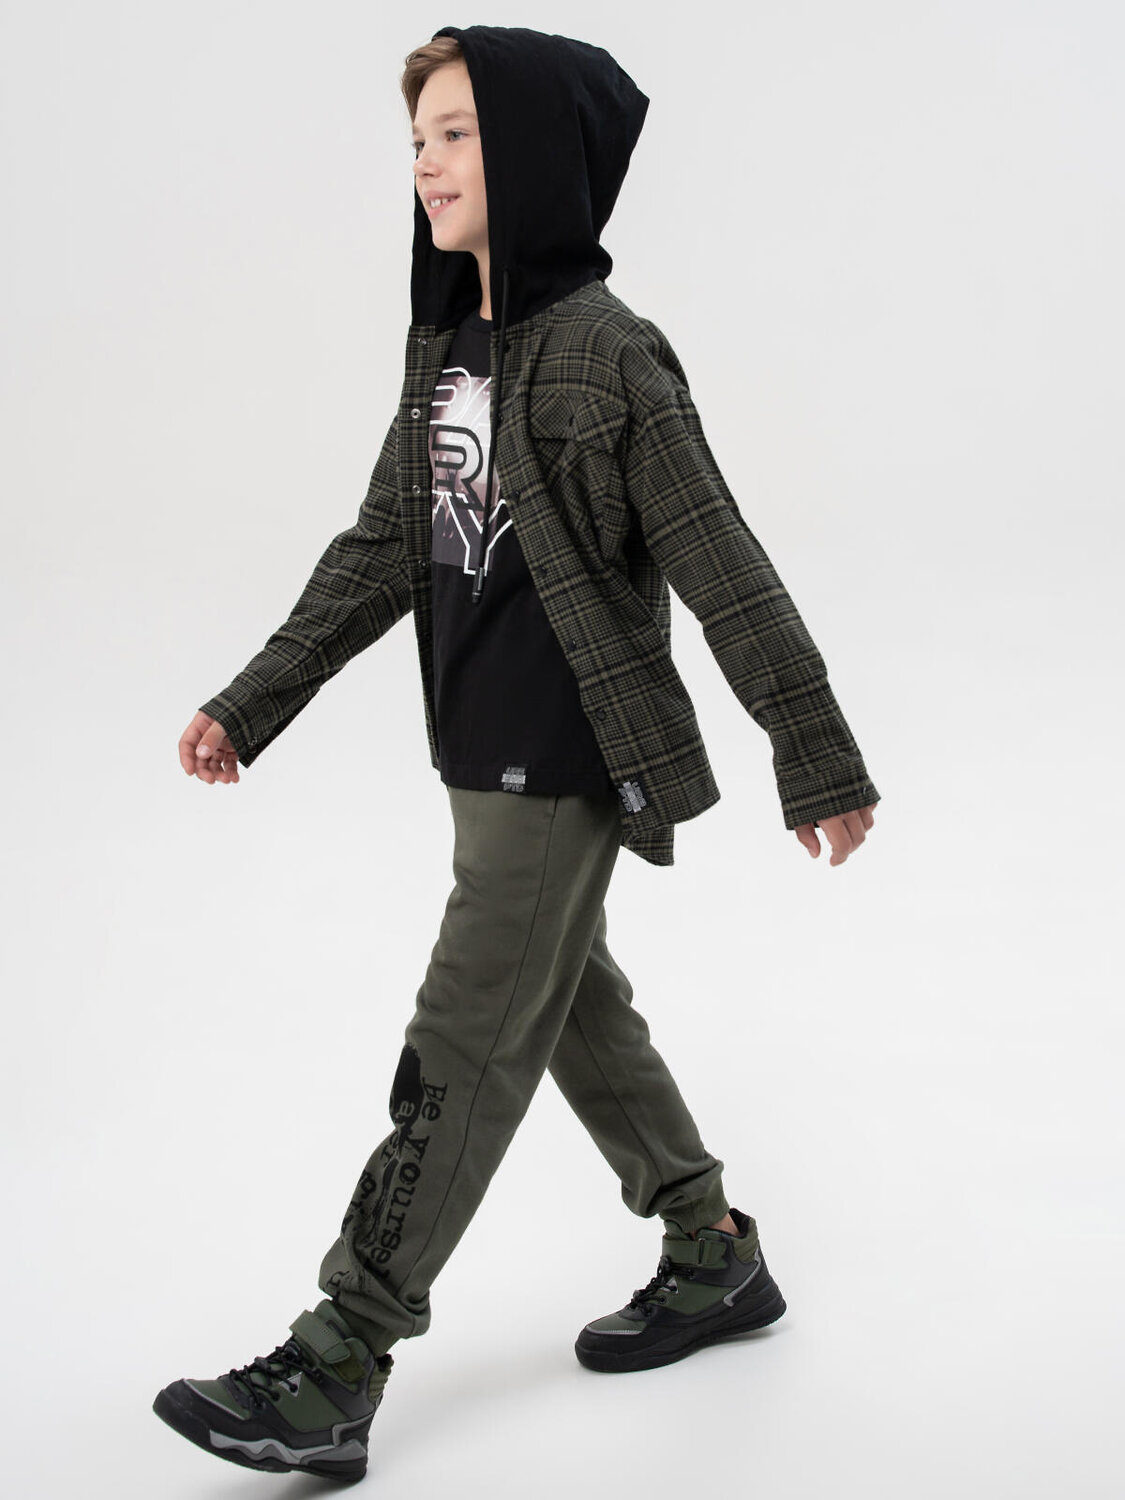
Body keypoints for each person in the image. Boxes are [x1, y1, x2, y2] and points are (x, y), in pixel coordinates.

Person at [154, 24, 880, 1482]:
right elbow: (384, 546)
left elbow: (721, 562)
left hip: (562, 756)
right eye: (416, 139)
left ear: (538, 152)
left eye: (458, 134)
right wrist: (254, 699)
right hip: (474, 747)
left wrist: (814, 750)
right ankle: (710, 1249)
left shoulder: (610, 356)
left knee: (465, 1037)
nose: (426, 165)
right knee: (568, 1007)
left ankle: (341, 1354)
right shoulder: (446, 346)